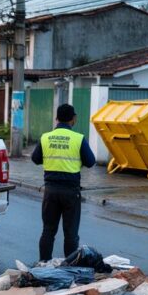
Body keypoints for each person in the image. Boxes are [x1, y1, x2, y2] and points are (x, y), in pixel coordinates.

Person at [32, 103, 96, 261]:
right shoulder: (78, 138)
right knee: (71, 233)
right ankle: (70, 268)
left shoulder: (45, 137)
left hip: (51, 191)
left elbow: (35, 159)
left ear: (56, 119)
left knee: (48, 230)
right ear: (73, 119)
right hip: (70, 192)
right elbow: (91, 162)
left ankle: (43, 265)